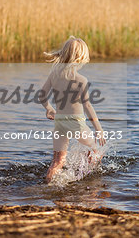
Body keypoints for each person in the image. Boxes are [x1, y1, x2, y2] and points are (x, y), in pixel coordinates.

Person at [39, 36, 106, 183]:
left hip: (59, 122)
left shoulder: (54, 75)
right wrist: (99, 129)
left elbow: (42, 96)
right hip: (77, 124)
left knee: (58, 161)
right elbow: (88, 106)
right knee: (96, 152)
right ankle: (85, 179)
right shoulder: (81, 80)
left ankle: (47, 185)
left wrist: (49, 109)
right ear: (80, 58)